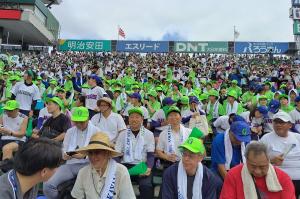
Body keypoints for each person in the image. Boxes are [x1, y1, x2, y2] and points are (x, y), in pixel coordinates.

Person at [43, 107, 100, 199]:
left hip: (89, 165)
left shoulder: (97, 131)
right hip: (70, 165)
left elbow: (99, 154)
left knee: (89, 190)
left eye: (82, 122)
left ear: (88, 119)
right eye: (76, 122)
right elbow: (64, 150)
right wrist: (66, 155)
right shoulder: (70, 131)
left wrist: (84, 155)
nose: (79, 124)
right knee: (48, 184)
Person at [220, 141, 296, 199]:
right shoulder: (233, 175)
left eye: (262, 167)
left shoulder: (283, 178)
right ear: (246, 161)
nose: (257, 171)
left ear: (269, 161)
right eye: (253, 166)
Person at [71, 133, 135, 199]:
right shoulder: (83, 172)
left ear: (107, 153)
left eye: (97, 152)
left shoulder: (121, 171)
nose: (93, 157)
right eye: (90, 153)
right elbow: (77, 197)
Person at [115, 107, 155, 199]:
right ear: (128, 119)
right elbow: (117, 154)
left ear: (142, 119)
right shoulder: (122, 134)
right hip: (125, 166)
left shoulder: (149, 134)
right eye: (131, 117)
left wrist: (148, 168)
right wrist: (117, 167)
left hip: (142, 166)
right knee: (114, 184)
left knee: (146, 186)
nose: (134, 119)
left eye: (137, 117)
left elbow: (150, 155)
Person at [260, 111, 300, 198]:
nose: (278, 124)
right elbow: (256, 161)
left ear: (290, 125)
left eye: (282, 122)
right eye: (276, 122)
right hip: (278, 178)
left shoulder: (297, 137)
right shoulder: (266, 138)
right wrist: (271, 161)